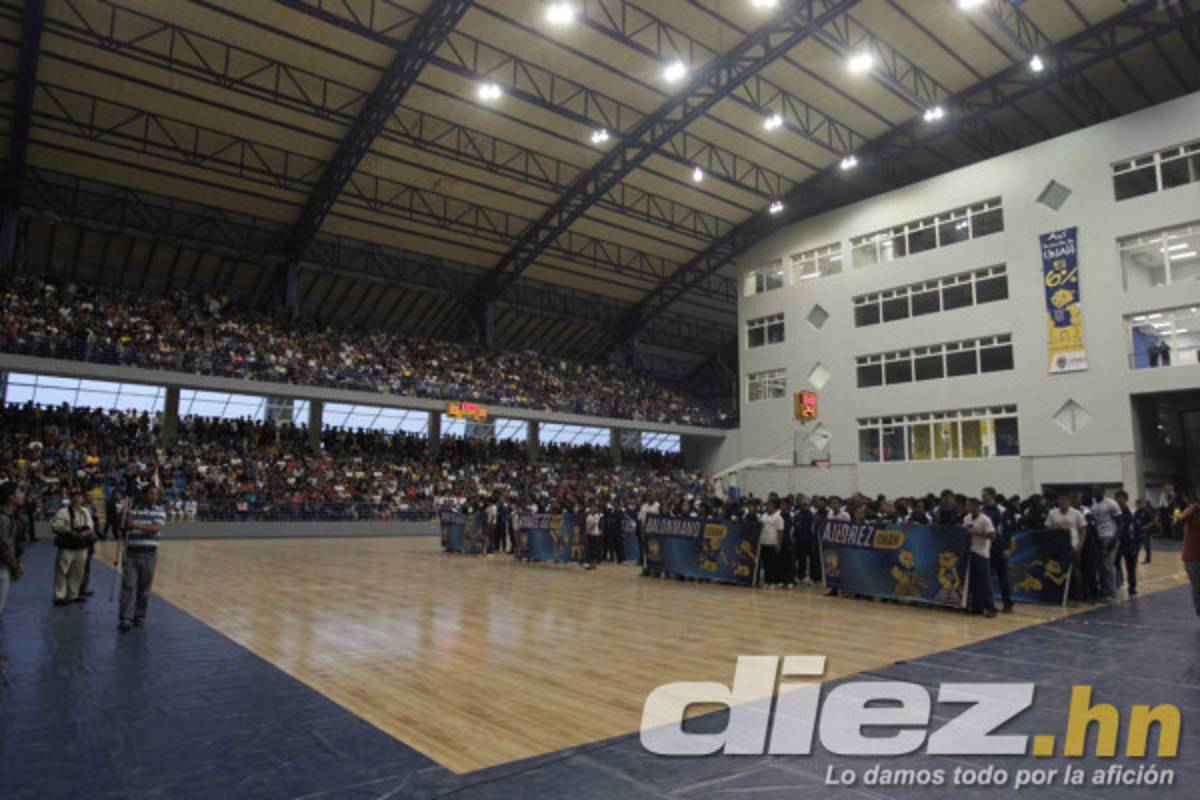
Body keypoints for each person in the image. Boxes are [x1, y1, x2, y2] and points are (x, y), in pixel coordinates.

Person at [118, 486, 166, 633]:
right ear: (144, 495)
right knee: (128, 585)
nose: (154, 496)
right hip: (131, 552)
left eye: (156, 494)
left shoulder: (159, 511)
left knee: (144, 588)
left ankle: (139, 615)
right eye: (151, 493)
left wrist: (135, 525)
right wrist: (123, 515)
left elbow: (155, 528)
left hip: (149, 554)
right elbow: (123, 526)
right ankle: (125, 617)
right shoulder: (132, 510)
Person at [51, 490, 94, 606]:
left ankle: (73, 595)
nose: (77, 499)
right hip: (67, 544)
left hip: (81, 545)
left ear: (82, 499)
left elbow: (90, 526)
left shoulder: (85, 511)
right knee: (62, 571)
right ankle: (59, 596)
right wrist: (69, 531)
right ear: (71, 498)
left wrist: (84, 533)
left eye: (79, 497)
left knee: (78, 572)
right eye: (75, 497)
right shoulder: (63, 512)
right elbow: (55, 526)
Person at [0, 484, 27, 663]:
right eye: (19, 492)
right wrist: (15, 566)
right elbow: (3, 547)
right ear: (10, 497)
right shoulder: (3, 518)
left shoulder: (10, 516)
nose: (22, 495)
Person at [1047, 494, 1086, 601]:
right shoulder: (1052, 513)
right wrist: (1057, 527)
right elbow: (1047, 528)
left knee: (1075, 573)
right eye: (1060, 500)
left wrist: (1079, 545)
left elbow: (1083, 530)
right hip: (1057, 548)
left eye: (1065, 500)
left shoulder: (1076, 513)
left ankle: (1078, 597)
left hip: (1073, 546)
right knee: (1059, 572)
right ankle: (1062, 596)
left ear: (1069, 502)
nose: (1062, 502)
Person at [962, 497, 997, 618]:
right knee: (972, 581)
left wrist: (977, 533)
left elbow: (993, 535)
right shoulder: (966, 518)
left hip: (982, 553)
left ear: (976, 506)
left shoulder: (985, 520)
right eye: (967, 505)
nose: (967, 507)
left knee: (985, 582)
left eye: (969, 505)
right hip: (970, 551)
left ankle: (991, 608)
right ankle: (977, 607)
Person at [981, 488, 1012, 613]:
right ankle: (988, 603)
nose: (983, 497)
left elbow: (1007, 531)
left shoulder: (1002, 511)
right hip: (985, 548)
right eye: (982, 495)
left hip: (999, 548)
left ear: (992, 496)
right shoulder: (981, 510)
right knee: (986, 577)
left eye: (985, 495)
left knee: (1002, 577)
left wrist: (1006, 548)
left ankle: (1007, 603)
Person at [1089, 487, 1121, 600]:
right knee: (1100, 566)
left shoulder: (1111, 504)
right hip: (1098, 537)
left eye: (1097, 490)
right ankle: (1104, 590)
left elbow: (1120, 522)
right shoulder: (1093, 506)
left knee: (1108, 565)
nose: (1095, 492)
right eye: (1094, 491)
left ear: (1102, 492)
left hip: (1109, 536)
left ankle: (1112, 592)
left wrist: (1114, 539)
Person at [1178, 499, 1200, 619]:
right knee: (1197, 588)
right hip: (1193, 558)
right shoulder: (1192, 516)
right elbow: (1180, 520)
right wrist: (1192, 509)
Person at [1113, 491, 1138, 597]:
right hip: (1118, 542)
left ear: (1126, 499)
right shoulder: (1114, 511)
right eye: (1117, 499)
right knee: (1115, 564)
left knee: (1131, 567)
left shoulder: (1131, 512)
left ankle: (1132, 587)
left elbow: (1131, 528)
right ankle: (1118, 583)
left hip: (1129, 543)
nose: (1119, 501)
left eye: (1121, 499)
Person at [758, 498, 784, 588]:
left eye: (770, 505)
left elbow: (780, 531)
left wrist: (778, 544)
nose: (768, 507)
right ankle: (766, 581)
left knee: (773, 564)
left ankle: (773, 581)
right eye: (767, 505)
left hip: (773, 543)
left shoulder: (778, 518)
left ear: (774, 507)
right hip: (764, 543)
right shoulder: (763, 516)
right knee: (766, 564)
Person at [1134, 498, 1157, 564]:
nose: (1137, 506)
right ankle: (1134, 559)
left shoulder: (1146, 511)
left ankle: (1148, 559)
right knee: (1136, 547)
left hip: (1145, 532)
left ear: (1141, 504)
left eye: (1138, 504)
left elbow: (1154, 520)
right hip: (1137, 532)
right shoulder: (1137, 512)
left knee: (1147, 546)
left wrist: (1147, 526)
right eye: (1136, 505)